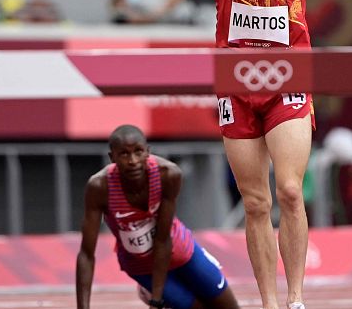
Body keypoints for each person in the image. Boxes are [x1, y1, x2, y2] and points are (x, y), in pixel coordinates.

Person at [176, 0, 341, 308]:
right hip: (236, 88)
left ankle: (295, 300)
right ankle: (268, 303)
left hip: (288, 82)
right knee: (254, 203)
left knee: (288, 190)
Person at [76, 125, 239, 309]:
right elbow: (86, 254)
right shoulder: (99, 187)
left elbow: (163, 239)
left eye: (138, 152)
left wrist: (156, 300)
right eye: (124, 154)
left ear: (148, 152)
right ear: (112, 158)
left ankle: (153, 292)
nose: (133, 161)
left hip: (182, 253)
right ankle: (151, 290)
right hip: (140, 266)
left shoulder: (168, 175)